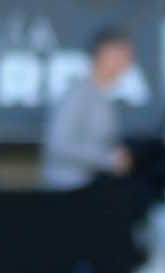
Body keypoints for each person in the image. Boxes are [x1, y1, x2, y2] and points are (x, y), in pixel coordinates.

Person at [41, 31, 148, 192]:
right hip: (68, 192)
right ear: (106, 54)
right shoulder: (78, 94)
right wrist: (109, 160)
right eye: (124, 55)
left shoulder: (102, 95)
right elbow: (58, 144)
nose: (129, 63)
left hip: (92, 189)